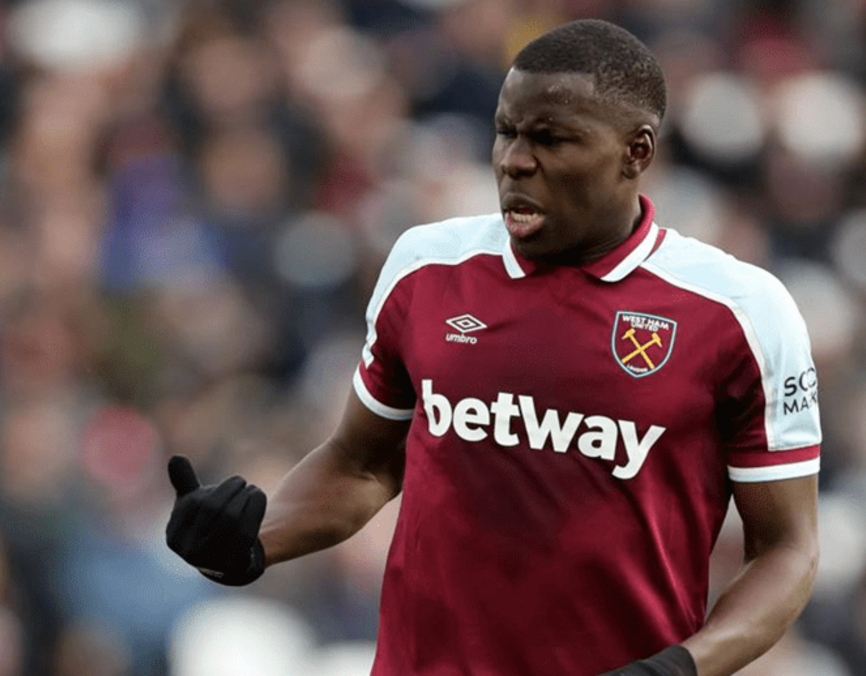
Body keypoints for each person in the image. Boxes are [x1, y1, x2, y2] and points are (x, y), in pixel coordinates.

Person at [164, 19, 820, 676]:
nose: (514, 161)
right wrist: (249, 539)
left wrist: (683, 667)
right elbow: (364, 466)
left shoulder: (739, 312)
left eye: (551, 139)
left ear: (636, 151)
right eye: (506, 132)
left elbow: (786, 550)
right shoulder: (426, 267)